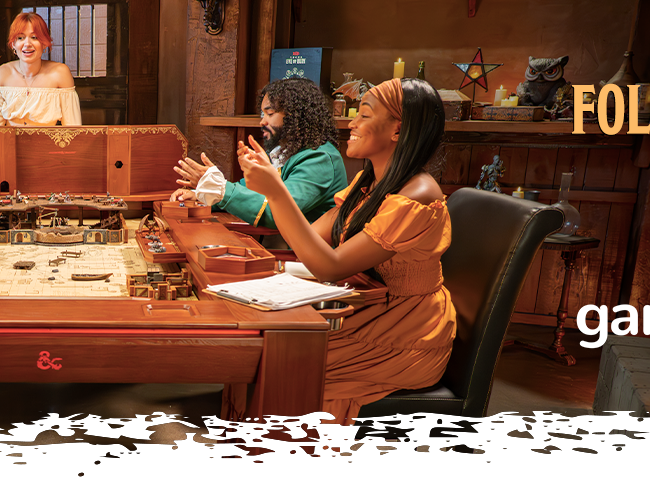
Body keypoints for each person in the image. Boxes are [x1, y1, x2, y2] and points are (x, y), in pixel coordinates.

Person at [235, 78, 456, 424]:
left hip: (407, 332)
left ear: (398, 130)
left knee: (288, 363)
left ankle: (286, 452)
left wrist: (276, 192)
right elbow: (310, 238)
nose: (350, 124)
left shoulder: (418, 196)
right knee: (267, 349)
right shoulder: (367, 184)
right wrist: (270, 185)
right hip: (370, 309)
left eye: (364, 115)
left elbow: (331, 266)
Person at [170, 77, 346, 230]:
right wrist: (203, 194)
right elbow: (249, 190)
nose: (262, 121)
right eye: (263, 114)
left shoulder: (319, 159)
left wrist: (220, 189)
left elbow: (277, 212)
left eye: (270, 113)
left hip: (305, 255)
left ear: (296, 116)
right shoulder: (288, 150)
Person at [0, 12, 82, 126]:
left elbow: (73, 129)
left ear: (44, 43)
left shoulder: (60, 73)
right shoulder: (2, 73)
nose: (27, 44)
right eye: (20, 38)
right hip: (10, 139)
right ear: (13, 44)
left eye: (34, 37)